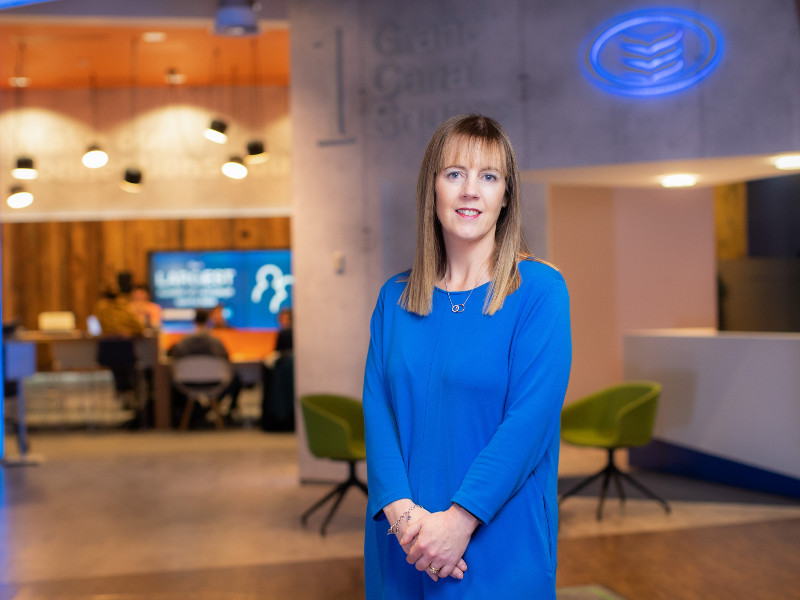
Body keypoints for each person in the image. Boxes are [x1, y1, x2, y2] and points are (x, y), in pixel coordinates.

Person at [362, 114, 572, 598]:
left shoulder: (540, 291)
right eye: (455, 173)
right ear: (432, 188)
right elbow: (378, 412)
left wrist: (459, 522)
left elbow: (529, 422)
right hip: (403, 542)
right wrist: (405, 518)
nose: (470, 191)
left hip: (498, 539)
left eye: (489, 176)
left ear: (506, 195)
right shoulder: (393, 299)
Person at [168, 308, 241, 426]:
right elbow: (226, 358)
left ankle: (200, 411)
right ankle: (213, 409)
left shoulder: (183, 342)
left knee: (169, 380)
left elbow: (174, 357)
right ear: (208, 320)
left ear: (194, 321)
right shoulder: (215, 341)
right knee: (236, 378)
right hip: (215, 381)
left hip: (187, 382)